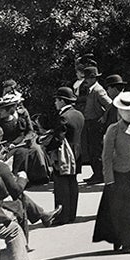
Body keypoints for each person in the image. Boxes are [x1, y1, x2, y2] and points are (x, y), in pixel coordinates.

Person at [0, 130, 60, 240]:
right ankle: (24, 242)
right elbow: (16, 191)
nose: (2, 148)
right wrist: (22, 178)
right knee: (20, 201)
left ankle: (43, 215)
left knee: (20, 197)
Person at [93, 91, 130, 253]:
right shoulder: (113, 130)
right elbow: (105, 157)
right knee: (122, 208)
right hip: (119, 172)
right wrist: (109, 179)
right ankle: (124, 241)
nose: (129, 113)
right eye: (125, 111)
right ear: (119, 111)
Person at [46, 86, 83, 224]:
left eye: (56, 100)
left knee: (61, 186)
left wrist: (47, 147)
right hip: (77, 152)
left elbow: (58, 139)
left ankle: (62, 217)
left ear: (62, 101)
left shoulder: (63, 117)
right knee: (72, 183)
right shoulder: (79, 114)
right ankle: (72, 214)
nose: (55, 103)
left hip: (64, 156)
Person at [0, 91, 51, 185]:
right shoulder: (1, 116)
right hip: (9, 141)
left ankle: (42, 176)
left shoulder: (23, 112)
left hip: (27, 138)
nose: (17, 107)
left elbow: (30, 130)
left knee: (36, 149)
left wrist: (26, 139)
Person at [80, 66, 112, 184]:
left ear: (94, 78)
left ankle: (99, 175)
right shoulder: (91, 89)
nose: (86, 80)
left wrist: (103, 117)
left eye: (88, 78)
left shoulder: (98, 90)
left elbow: (110, 104)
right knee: (91, 149)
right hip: (90, 123)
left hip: (95, 124)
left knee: (96, 150)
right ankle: (96, 173)